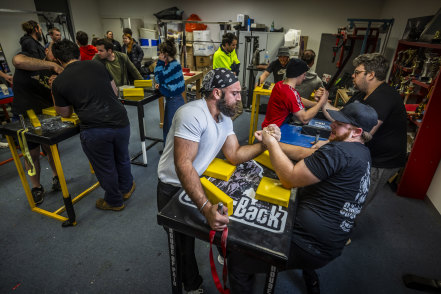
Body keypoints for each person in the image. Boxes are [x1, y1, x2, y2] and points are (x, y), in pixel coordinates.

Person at [228, 101, 378, 294]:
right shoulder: (361, 151)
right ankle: (311, 281)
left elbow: (289, 178)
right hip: (332, 238)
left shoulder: (338, 151)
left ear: (357, 131)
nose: (332, 124)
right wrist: (268, 143)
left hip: (310, 243)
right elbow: (306, 154)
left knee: (237, 263)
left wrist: (271, 143)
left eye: (340, 124)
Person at [157, 68, 279, 293]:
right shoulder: (191, 114)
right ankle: (192, 286)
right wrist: (204, 207)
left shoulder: (224, 118)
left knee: (221, 224)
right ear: (216, 93)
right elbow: (183, 165)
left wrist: (266, 143)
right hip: (173, 187)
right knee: (183, 247)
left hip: (197, 179)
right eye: (235, 93)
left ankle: (225, 253)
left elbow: (234, 155)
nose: (240, 97)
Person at [51, 39, 135, 211]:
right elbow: (115, 91)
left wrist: (53, 89)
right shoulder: (97, 65)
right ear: (77, 53)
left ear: (58, 60)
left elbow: (65, 112)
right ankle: (126, 188)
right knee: (122, 157)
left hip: (95, 129)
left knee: (106, 166)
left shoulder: (59, 81)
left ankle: (114, 201)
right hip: (120, 120)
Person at [321, 53, 407, 211]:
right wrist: (324, 102)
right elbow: (341, 117)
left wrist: (326, 144)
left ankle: (344, 230)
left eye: (357, 72)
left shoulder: (383, 97)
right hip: (365, 152)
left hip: (382, 160)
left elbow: (362, 135)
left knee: (355, 201)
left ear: (371, 74)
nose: (353, 76)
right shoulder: (362, 93)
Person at [11, 40, 64, 205]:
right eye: (53, 52)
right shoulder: (27, 58)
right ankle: (36, 187)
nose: (56, 57)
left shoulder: (58, 67)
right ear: (46, 50)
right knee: (31, 154)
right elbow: (18, 61)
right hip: (25, 116)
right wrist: (52, 66)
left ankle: (57, 178)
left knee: (51, 150)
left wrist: (57, 83)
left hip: (47, 116)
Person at [261, 58, 328, 128]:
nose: (304, 78)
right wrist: (321, 103)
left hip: (267, 126)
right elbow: (304, 119)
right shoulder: (290, 93)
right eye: (304, 75)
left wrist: (315, 104)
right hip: (273, 132)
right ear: (298, 74)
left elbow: (298, 100)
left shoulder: (279, 84)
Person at [154, 38, 185, 143]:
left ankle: (170, 153)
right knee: (169, 127)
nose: (160, 55)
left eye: (161, 53)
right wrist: (162, 85)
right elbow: (166, 80)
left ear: (165, 53)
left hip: (174, 101)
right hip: (175, 99)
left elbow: (158, 77)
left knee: (171, 129)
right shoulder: (174, 64)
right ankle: (168, 151)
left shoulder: (172, 66)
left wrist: (160, 62)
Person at [213, 33, 242, 120]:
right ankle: (221, 126)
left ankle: (222, 125)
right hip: (223, 87)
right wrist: (233, 70)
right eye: (233, 45)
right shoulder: (218, 55)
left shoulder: (231, 50)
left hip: (231, 84)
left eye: (235, 44)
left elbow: (237, 63)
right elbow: (229, 74)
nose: (235, 47)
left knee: (236, 110)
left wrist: (234, 70)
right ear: (226, 44)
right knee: (234, 109)